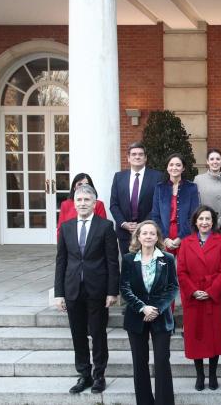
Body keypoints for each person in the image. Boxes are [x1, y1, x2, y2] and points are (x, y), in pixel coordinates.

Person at [54, 184, 119, 394]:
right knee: (78, 334)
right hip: (72, 289)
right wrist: (59, 293)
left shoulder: (106, 227)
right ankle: (84, 374)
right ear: (74, 203)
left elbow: (112, 262)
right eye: (79, 200)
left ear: (94, 203)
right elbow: (61, 261)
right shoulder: (66, 227)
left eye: (87, 200)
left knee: (98, 333)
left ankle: (99, 375)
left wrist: (112, 291)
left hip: (97, 290)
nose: (82, 204)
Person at [120, 220, 179, 405]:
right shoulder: (129, 259)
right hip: (136, 317)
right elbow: (124, 287)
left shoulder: (167, 259)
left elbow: (172, 288)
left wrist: (156, 308)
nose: (148, 236)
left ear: (157, 237)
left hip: (160, 318)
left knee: (162, 362)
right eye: (144, 233)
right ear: (138, 236)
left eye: (152, 233)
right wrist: (142, 307)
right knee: (140, 363)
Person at [177, 205, 221, 391]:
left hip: (213, 297)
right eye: (201, 219)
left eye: (208, 219)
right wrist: (193, 291)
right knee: (196, 338)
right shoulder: (186, 242)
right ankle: (200, 375)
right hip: (193, 298)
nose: (204, 222)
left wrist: (211, 290)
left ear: (213, 222)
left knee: (214, 337)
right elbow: (181, 271)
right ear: (195, 222)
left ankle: (213, 374)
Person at [110, 142, 163, 253]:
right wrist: (124, 224)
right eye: (134, 154)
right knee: (127, 266)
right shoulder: (118, 177)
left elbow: (158, 204)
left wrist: (143, 225)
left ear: (145, 158)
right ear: (128, 158)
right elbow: (114, 205)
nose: (137, 157)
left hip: (148, 232)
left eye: (140, 154)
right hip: (125, 233)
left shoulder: (157, 177)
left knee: (147, 266)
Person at [150, 153, 200, 254]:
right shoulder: (160, 188)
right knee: (165, 267)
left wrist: (180, 238)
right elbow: (155, 215)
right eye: (171, 165)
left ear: (183, 168)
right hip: (164, 234)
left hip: (186, 233)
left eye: (178, 165)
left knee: (185, 268)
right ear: (167, 168)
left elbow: (194, 216)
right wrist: (165, 238)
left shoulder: (191, 188)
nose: (174, 168)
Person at [194, 148, 221, 228]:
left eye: (218, 159)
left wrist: (219, 222)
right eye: (212, 159)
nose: (215, 162)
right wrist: (205, 221)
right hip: (204, 225)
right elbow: (196, 204)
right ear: (207, 162)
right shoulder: (198, 179)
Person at [57, 173, 108, 237]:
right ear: (74, 188)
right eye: (79, 184)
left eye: (87, 184)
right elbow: (60, 230)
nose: (83, 187)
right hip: (70, 244)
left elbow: (103, 229)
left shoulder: (98, 204)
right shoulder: (65, 205)